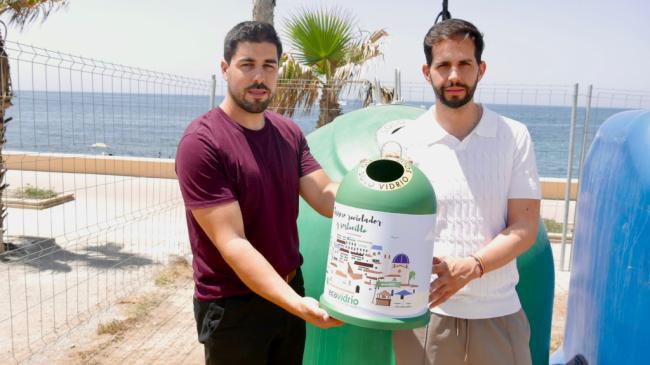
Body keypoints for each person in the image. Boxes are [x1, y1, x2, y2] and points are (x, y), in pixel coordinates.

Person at [175, 21, 342, 365]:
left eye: (269, 65)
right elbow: (233, 242)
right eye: (247, 64)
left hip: (290, 290)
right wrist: (297, 305)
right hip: (234, 307)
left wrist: (376, 188)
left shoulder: (288, 132)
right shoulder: (201, 143)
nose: (259, 77)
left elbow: (325, 195)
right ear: (225, 69)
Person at [390, 19, 541, 365]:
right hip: (424, 316)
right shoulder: (403, 143)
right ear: (427, 72)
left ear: (481, 69)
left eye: (464, 64)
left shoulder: (513, 136)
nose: (454, 76)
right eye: (443, 65)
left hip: (498, 315)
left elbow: (525, 227)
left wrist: (472, 267)